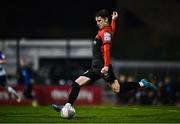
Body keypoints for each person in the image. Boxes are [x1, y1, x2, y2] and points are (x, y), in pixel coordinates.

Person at [52, 9, 157, 114]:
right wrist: (114, 20)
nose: (98, 23)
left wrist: (106, 66)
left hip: (102, 68)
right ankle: (67, 106)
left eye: (99, 20)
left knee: (118, 89)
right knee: (77, 83)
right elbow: (113, 31)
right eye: (97, 21)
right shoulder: (106, 31)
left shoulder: (105, 32)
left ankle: (142, 83)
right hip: (95, 68)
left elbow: (107, 50)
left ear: (105, 19)